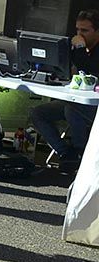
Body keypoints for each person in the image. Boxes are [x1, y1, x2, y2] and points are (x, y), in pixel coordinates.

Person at [29, 9, 99, 169]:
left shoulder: (84, 48)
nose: (80, 34)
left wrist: (80, 48)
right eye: (78, 30)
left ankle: (80, 151)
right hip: (77, 101)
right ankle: (65, 153)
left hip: (94, 106)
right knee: (38, 113)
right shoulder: (79, 48)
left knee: (71, 109)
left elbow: (89, 67)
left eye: (85, 30)